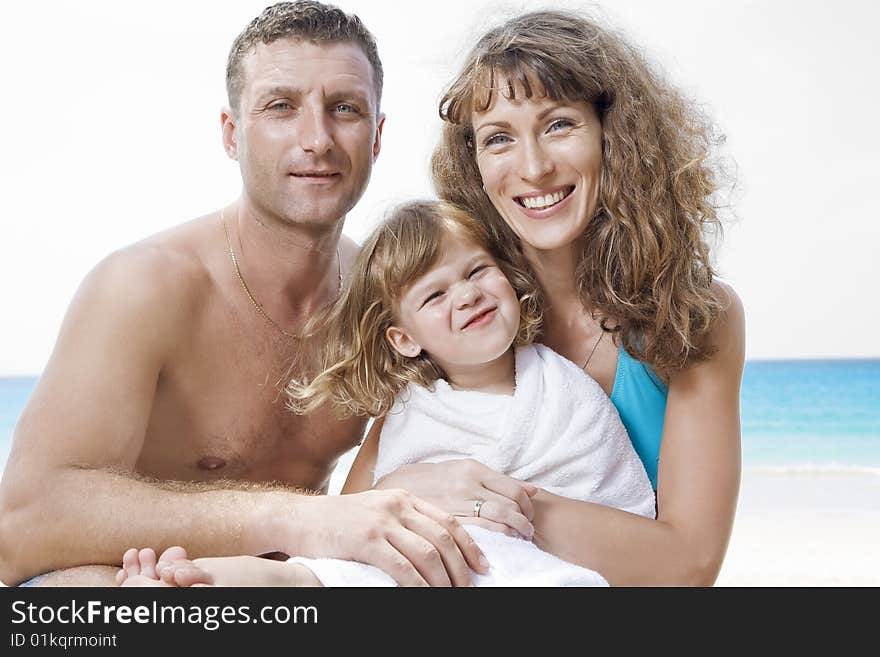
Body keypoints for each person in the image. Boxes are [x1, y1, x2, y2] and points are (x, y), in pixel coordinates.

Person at [0, 1, 486, 588]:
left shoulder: (386, 299)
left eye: (345, 110)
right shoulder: (143, 287)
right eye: (281, 107)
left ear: (377, 137)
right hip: (125, 585)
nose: (317, 139)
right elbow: (22, 528)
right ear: (232, 135)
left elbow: (473, 421)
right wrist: (301, 517)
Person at [372, 9, 746, 586]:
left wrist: (481, 499)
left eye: (558, 125)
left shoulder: (696, 317)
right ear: (474, 161)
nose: (534, 167)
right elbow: (362, 508)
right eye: (499, 138)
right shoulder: (458, 309)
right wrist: (405, 488)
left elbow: (687, 566)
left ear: (613, 135)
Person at [116, 200, 655, 587]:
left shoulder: (564, 393)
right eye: (436, 294)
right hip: (395, 565)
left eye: (477, 272)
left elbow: (614, 494)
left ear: (509, 279)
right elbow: (346, 522)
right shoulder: (410, 409)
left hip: (511, 568)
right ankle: (182, 588)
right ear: (404, 339)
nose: (466, 296)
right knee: (305, 581)